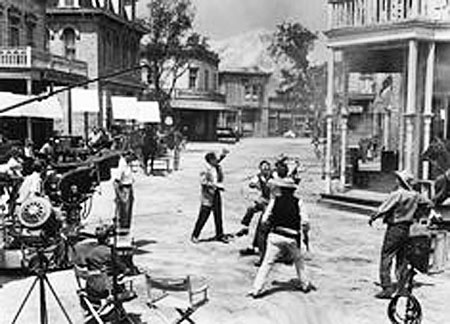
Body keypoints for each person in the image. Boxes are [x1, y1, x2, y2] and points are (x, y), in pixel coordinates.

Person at [369, 169, 433, 299]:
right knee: (402, 258)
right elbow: (429, 203)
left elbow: (383, 208)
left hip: (395, 228)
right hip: (407, 229)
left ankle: (387, 288)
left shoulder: (397, 194)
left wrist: (373, 217)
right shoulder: (415, 195)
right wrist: (417, 214)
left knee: (387, 256)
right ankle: (401, 288)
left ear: (400, 181)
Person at [248, 176, 315, 298]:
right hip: (292, 237)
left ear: (282, 189)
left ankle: (256, 290)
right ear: (293, 191)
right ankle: (305, 285)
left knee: (266, 264)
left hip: (275, 236)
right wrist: (305, 235)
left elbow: (264, 219)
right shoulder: (298, 202)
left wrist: (269, 225)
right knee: (299, 261)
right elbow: (305, 222)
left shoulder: (275, 200)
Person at [191, 150, 229, 244]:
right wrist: (214, 185)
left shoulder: (215, 166)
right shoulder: (205, 169)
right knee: (203, 216)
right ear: (211, 160)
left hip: (216, 194)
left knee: (218, 216)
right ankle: (195, 235)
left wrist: (223, 155)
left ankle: (220, 235)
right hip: (207, 196)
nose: (217, 160)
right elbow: (203, 182)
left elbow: (218, 161)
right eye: (215, 159)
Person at [237, 160, 273, 257]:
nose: (266, 170)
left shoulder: (274, 176)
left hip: (272, 203)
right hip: (264, 200)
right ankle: (245, 227)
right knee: (251, 208)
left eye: (267, 168)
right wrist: (254, 185)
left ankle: (257, 247)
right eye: (264, 168)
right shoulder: (258, 177)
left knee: (261, 225)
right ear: (260, 169)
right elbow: (251, 183)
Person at [113, 152, 135, 236]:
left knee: (127, 213)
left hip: (128, 188)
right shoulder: (121, 164)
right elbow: (116, 182)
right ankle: (122, 232)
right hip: (124, 189)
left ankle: (126, 232)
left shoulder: (127, 164)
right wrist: (120, 195)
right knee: (123, 213)